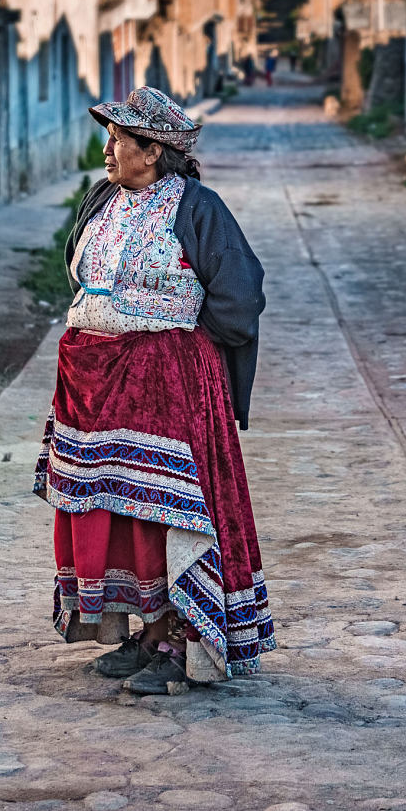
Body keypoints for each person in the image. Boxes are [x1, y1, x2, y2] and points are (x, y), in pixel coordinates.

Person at [33, 86, 276, 694]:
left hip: (166, 385)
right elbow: (79, 271)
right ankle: (144, 629)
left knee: (167, 510)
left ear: (154, 150)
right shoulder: (102, 201)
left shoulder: (198, 209)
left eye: (119, 139)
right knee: (116, 510)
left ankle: (176, 639)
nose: (108, 149)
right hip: (92, 387)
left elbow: (238, 297)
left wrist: (179, 345)